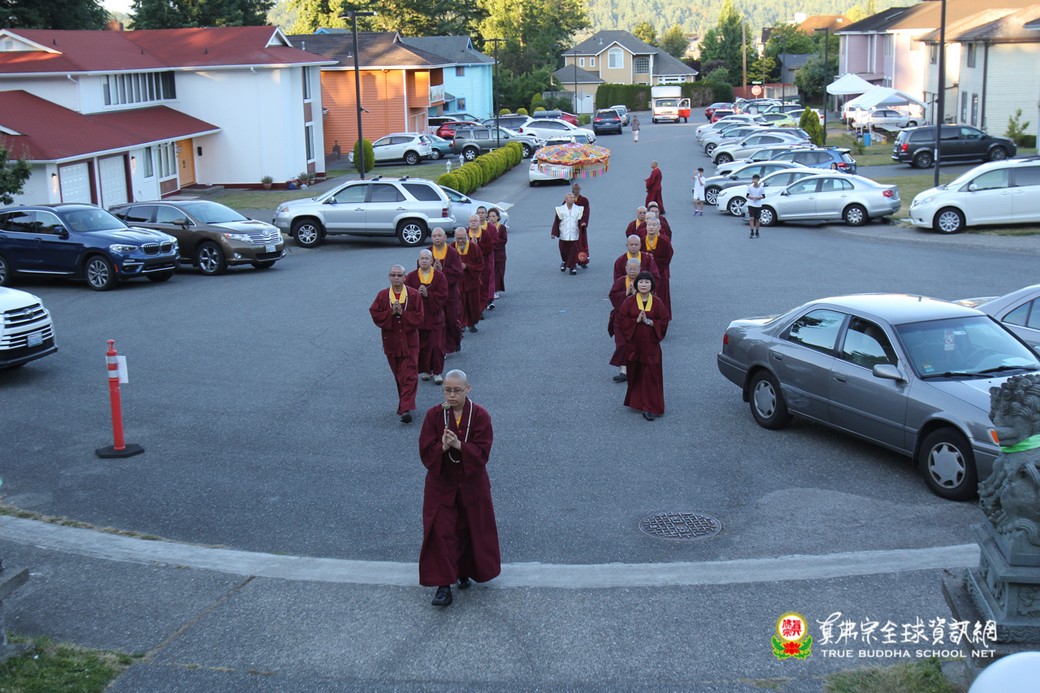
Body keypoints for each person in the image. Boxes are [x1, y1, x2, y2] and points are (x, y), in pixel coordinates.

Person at [418, 369, 501, 607]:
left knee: (469, 528)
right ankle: (443, 586)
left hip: (471, 483)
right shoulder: (434, 415)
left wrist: (459, 445)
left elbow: (483, 453)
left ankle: (464, 570)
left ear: (467, 389)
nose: (451, 395)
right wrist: (442, 448)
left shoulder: (480, 415)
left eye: (457, 390)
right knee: (441, 530)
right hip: (441, 483)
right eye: (447, 390)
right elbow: (425, 451)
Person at [369, 264, 424, 423]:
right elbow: (375, 313)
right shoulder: (383, 295)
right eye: (393, 275)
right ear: (389, 277)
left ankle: (406, 408)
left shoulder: (413, 294)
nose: (396, 278)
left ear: (405, 277)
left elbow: (419, 317)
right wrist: (390, 313)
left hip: (409, 342)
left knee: (410, 374)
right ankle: (404, 402)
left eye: (399, 275)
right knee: (399, 374)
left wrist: (403, 313)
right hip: (391, 342)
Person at [617, 272, 670, 421]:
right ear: (636, 285)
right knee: (636, 374)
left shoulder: (657, 302)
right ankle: (638, 402)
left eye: (647, 282)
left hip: (651, 347)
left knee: (651, 376)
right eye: (641, 282)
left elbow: (664, 321)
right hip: (634, 346)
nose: (644, 285)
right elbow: (621, 320)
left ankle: (650, 407)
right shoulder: (629, 302)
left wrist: (650, 322)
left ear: (651, 285)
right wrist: (635, 321)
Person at [406, 250, 449, 384]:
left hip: (434, 316)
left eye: (426, 258)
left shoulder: (439, 276)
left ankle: (437, 372)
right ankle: (426, 370)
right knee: (422, 346)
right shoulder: (412, 276)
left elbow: (444, 295)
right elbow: (406, 294)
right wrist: (417, 295)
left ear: (431, 261)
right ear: (418, 261)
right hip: (420, 318)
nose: (424, 261)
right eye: (421, 258)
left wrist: (428, 295)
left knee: (437, 346)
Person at [428, 227, 463, 354]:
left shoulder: (452, 253)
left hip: (450, 292)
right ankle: (442, 347)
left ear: (445, 237)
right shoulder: (427, 253)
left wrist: (442, 271)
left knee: (452, 319)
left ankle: (456, 340)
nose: (437, 238)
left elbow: (458, 272)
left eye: (439, 235)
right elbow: (420, 270)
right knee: (437, 321)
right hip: (434, 293)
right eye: (434, 236)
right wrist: (432, 270)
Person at [608, 258, 641, 383]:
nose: (632, 271)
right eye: (630, 268)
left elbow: (651, 296)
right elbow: (613, 296)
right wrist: (626, 293)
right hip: (621, 319)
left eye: (635, 269)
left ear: (639, 269)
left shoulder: (644, 281)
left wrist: (637, 293)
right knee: (621, 344)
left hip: (637, 319)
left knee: (637, 344)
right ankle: (623, 371)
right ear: (626, 269)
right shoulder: (621, 281)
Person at [454, 227, 484, 332]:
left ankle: (472, 323)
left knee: (473, 305)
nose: (460, 241)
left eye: (462, 238)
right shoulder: (451, 248)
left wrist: (467, 266)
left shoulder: (474, 248)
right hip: (458, 283)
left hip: (471, 282)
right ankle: (461, 324)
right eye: (458, 238)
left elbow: (480, 265)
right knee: (459, 305)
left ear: (466, 236)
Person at [643, 217, 673, 312]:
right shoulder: (641, 241)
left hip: (661, 273)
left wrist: (655, 265)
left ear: (659, 227)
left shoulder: (664, 241)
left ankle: (662, 315)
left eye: (654, 225)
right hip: (645, 274)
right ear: (646, 227)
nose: (651, 227)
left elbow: (668, 256)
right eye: (649, 225)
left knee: (662, 296)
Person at [469, 212, 497, 313]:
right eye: (471, 221)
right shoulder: (466, 233)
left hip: (483, 264)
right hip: (470, 266)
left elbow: (489, 248)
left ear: (479, 222)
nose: (473, 223)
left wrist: (477, 245)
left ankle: (481, 308)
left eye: (475, 221)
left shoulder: (485, 234)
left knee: (483, 286)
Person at [550, 192, 584, 276]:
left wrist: (583, 224)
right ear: (566, 199)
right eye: (570, 198)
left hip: (574, 233)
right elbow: (556, 221)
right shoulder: (560, 209)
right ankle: (564, 261)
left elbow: (581, 220)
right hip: (564, 233)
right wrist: (553, 233)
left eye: (573, 198)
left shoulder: (578, 209)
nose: (572, 199)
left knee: (573, 250)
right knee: (563, 250)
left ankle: (573, 267)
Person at [488, 208, 507, 298]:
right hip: (489, 253)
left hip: (499, 254)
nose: (492, 218)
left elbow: (504, 240)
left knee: (498, 273)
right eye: (490, 216)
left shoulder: (501, 228)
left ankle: (496, 290)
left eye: (493, 216)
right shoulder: (486, 228)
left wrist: (494, 244)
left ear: (498, 217)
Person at [572, 183, 591, 268]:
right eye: (575, 189)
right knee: (572, 244)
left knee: (582, 244)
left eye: (578, 189)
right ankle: (571, 261)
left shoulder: (584, 200)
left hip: (581, 226)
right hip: (571, 225)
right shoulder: (569, 199)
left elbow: (586, 212)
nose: (576, 191)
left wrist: (584, 222)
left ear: (580, 190)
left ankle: (583, 261)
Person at [746, 173, 765, 239]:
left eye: (756, 179)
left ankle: (757, 231)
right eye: (754, 179)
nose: (755, 181)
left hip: (758, 205)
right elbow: (747, 195)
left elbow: (763, 196)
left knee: (757, 219)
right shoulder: (750, 187)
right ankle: (752, 231)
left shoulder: (761, 188)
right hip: (751, 204)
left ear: (758, 180)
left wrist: (758, 198)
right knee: (751, 218)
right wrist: (752, 197)